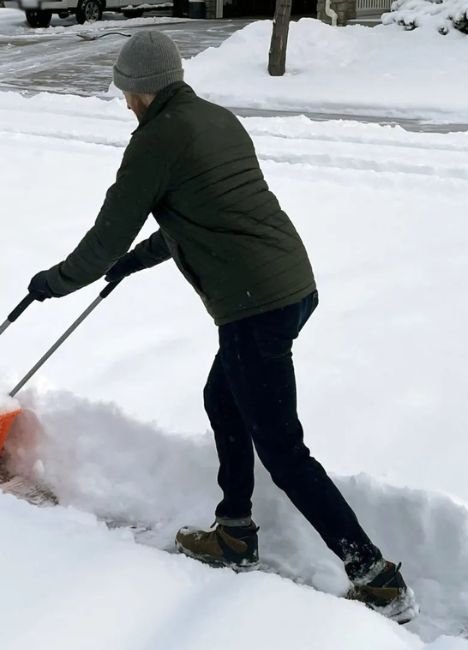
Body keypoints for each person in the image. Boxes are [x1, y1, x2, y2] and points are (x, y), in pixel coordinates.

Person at [26, 31, 417, 624]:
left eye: (126, 91)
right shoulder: (213, 118)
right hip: (290, 285)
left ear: (139, 89)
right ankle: (234, 531)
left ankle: (374, 574)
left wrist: (54, 282)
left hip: (254, 305)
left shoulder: (155, 141)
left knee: (283, 449)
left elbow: (105, 239)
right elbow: (205, 213)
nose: (125, 102)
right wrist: (140, 259)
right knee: (223, 397)